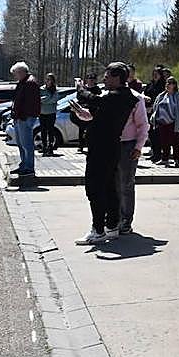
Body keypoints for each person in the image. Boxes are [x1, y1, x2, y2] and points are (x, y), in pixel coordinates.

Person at [70, 62, 148, 243]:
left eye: (108, 76)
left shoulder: (121, 96)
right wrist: (84, 114)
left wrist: (80, 88)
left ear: (118, 78)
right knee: (110, 187)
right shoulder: (117, 96)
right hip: (110, 145)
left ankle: (98, 229)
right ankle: (112, 226)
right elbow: (100, 115)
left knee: (95, 188)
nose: (104, 78)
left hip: (104, 147)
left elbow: (93, 99)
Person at [8, 61, 41, 185]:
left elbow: (31, 103)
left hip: (25, 118)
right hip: (20, 117)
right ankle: (24, 165)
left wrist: (22, 116)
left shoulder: (30, 83)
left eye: (15, 73)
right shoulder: (23, 82)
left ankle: (29, 168)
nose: (15, 76)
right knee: (21, 143)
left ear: (21, 72)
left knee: (27, 144)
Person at [150, 77, 179, 168]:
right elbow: (155, 107)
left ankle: (176, 160)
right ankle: (165, 159)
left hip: (174, 123)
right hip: (163, 123)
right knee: (164, 142)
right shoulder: (161, 95)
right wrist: (153, 119)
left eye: (171, 83)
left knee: (175, 142)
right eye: (167, 83)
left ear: (175, 85)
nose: (168, 85)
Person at [38, 73, 62, 157]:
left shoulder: (55, 90)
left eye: (49, 79)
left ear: (52, 81)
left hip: (51, 113)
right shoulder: (41, 89)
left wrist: (45, 99)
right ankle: (44, 146)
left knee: (50, 130)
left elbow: (54, 99)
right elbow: (39, 99)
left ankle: (50, 146)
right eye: (46, 79)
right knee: (43, 130)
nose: (48, 81)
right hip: (42, 113)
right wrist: (48, 98)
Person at [75, 73, 99, 154]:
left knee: (91, 131)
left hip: (92, 113)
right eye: (89, 79)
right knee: (81, 129)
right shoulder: (84, 89)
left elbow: (96, 100)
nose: (91, 81)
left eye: (93, 79)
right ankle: (80, 145)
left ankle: (90, 146)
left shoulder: (97, 89)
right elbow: (79, 98)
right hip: (83, 112)